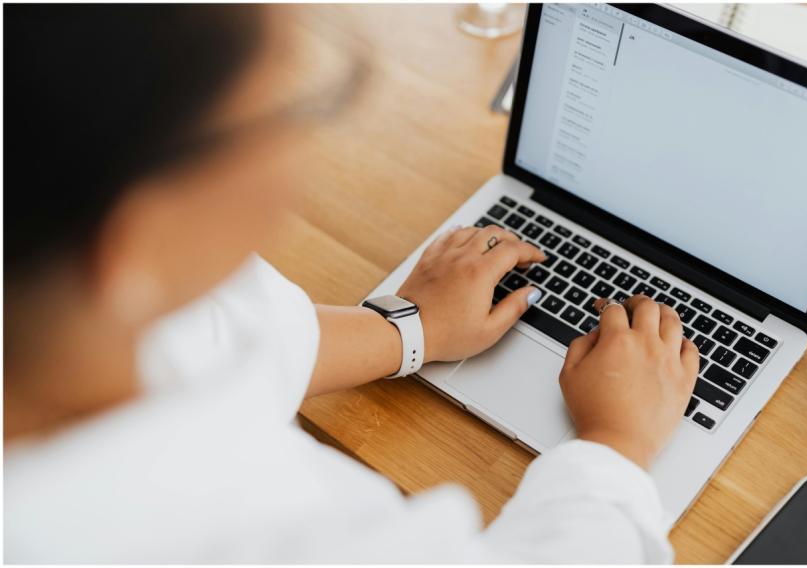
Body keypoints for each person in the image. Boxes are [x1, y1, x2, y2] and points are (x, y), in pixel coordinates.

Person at [3, 5, 699, 563]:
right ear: (136, 241)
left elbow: (219, 331)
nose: (300, 152)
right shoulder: (245, 529)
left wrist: (414, 329)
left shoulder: (58, 316)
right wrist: (619, 441)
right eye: (290, 109)